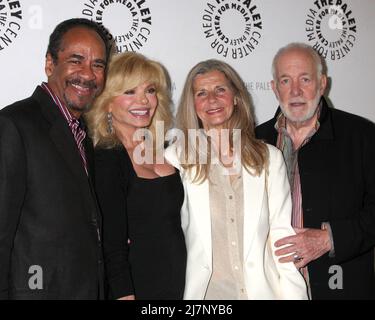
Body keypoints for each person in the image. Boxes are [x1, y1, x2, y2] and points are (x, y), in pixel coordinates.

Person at [165, 59, 308, 300]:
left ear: (236, 97)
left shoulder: (269, 159)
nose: (212, 99)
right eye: (201, 93)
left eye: (220, 89)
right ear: (193, 104)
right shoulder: (175, 159)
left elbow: (282, 240)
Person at [0, 18, 111, 299]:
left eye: (98, 64)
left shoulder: (80, 131)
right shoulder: (14, 124)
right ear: (50, 64)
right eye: (76, 60)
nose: (88, 74)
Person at [256, 42, 375, 299]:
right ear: (274, 88)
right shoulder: (254, 142)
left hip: (341, 290)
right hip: (271, 290)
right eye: (285, 81)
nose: (295, 90)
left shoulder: (363, 136)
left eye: (305, 79)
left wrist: (329, 239)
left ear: (322, 84)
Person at [86, 52, 186, 300]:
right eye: (129, 92)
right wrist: (124, 295)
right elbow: (112, 245)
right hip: (138, 286)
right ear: (108, 102)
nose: (144, 100)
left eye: (150, 90)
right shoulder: (107, 158)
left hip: (181, 282)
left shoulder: (166, 151)